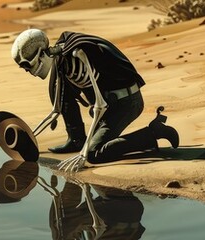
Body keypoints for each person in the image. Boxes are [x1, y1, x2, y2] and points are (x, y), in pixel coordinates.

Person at [10, 29, 179, 171]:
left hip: (126, 102)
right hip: (110, 103)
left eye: (27, 65)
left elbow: (100, 106)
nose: (27, 70)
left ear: (40, 54)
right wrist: (28, 137)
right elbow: (56, 109)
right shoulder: (61, 61)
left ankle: (153, 133)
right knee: (94, 140)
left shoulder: (78, 53)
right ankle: (76, 140)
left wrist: (84, 154)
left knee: (94, 154)